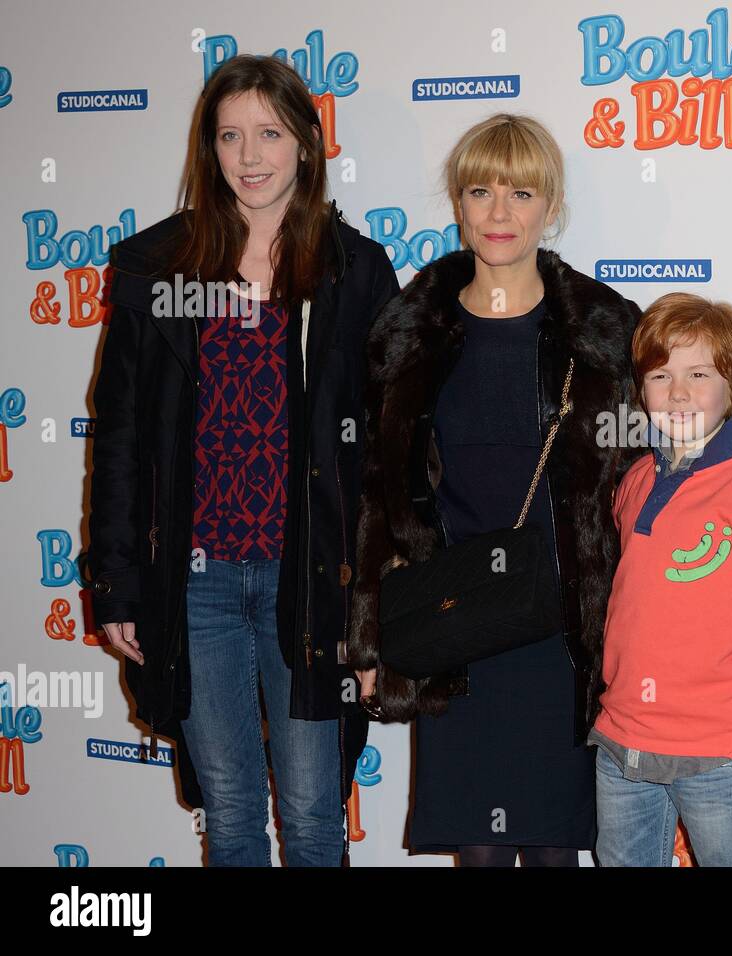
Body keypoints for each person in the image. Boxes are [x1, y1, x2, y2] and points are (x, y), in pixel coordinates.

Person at [347, 113, 732, 867]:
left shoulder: (606, 329)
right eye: (481, 190)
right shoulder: (411, 330)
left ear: (550, 206)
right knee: (480, 855)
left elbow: (668, 429)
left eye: (521, 193)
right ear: (457, 201)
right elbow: (378, 492)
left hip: (563, 634)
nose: (499, 213)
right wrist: (369, 635)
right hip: (457, 624)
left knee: (556, 850)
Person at [88, 54, 399, 866]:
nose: (251, 156)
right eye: (231, 136)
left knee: (311, 810)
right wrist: (116, 580)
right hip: (196, 585)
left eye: (269, 133)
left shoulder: (354, 270)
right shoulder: (156, 269)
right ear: (208, 147)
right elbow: (120, 435)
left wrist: (374, 600)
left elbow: (387, 456)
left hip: (308, 584)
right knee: (228, 810)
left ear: (306, 143)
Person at [590, 293, 732, 867]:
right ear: (641, 389)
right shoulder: (636, 478)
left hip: (720, 754)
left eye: (699, 374)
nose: (680, 392)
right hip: (622, 743)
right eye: (661, 376)